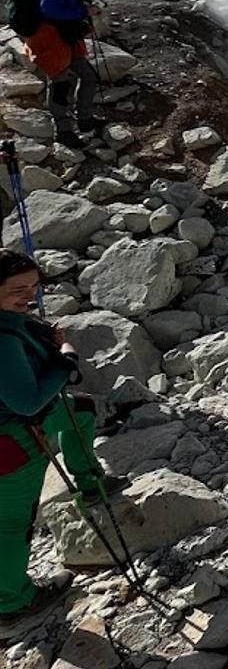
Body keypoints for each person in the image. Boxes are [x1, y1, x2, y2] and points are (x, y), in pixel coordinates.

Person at [0, 250, 119, 638]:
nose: (29, 296)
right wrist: (65, 364)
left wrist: (42, 338)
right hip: (15, 441)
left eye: (34, 286)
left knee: (80, 410)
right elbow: (26, 400)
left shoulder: (9, 324)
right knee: (13, 524)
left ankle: (90, 485)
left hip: (22, 427)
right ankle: (12, 604)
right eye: (18, 289)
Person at [22, 0, 104, 148]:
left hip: (66, 38)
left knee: (88, 76)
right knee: (59, 84)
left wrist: (83, 8)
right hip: (50, 40)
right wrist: (83, 10)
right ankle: (63, 131)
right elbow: (49, 10)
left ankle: (84, 119)